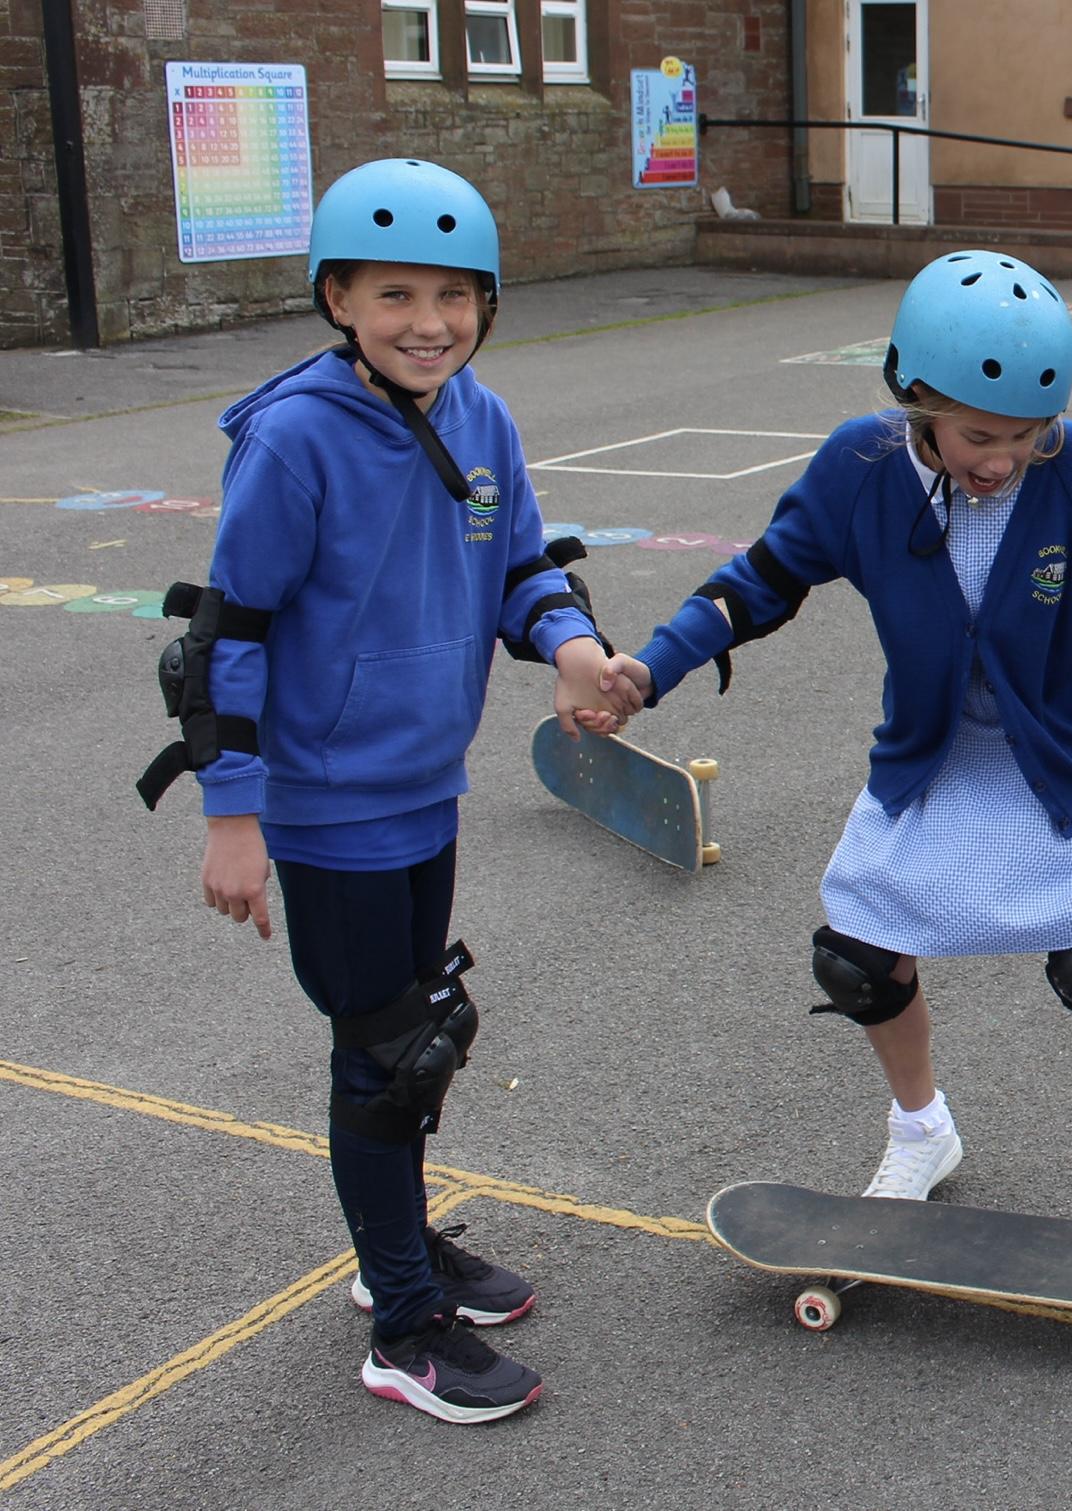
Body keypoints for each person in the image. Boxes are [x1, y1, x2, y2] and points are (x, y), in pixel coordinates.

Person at [137, 157, 625, 1424]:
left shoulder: (481, 418)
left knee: (424, 1029)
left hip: (423, 783)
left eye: (454, 296)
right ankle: (403, 1324)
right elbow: (227, 638)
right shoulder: (295, 438)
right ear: (337, 299)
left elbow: (521, 567)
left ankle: (396, 1244)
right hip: (326, 796)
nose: (429, 322)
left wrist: (570, 644)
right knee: (384, 1055)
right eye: (395, 294)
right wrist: (231, 813)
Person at [600, 250, 1072, 1238]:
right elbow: (757, 582)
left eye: (1025, 435)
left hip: (1051, 762)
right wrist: (651, 667)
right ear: (916, 400)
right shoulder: (860, 468)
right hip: (929, 756)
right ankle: (921, 1128)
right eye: (978, 434)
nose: (1001, 459)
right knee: (855, 958)